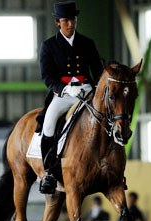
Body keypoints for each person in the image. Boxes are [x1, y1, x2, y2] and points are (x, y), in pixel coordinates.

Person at [38, 1, 103, 194]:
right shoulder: (49, 46)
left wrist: (95, 88)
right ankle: (49, 172)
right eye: (66, 20)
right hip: (64, 94)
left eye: (73, 19)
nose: (70, 24)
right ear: (58, 22)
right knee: (49, 123)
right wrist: (65, 89)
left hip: (86, 91)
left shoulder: (87, 43)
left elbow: (98, 70)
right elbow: (47, 77)